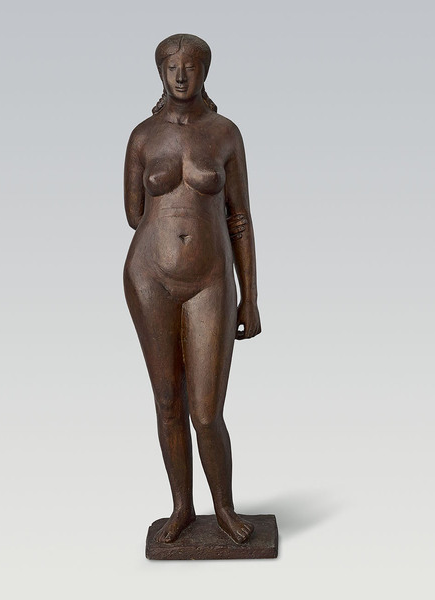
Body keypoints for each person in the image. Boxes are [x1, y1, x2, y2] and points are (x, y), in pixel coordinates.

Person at [123, 33, 261, 545]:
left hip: (209, 279)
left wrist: (250, 296)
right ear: (160, 72)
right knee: (167, 401)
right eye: (171, 67)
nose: (181, 76)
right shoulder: (142, 137)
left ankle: (223, 508)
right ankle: (182, 507)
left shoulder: (225, 134)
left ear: (205, 71)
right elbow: (133, 214)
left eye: (191, 66)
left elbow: (240, 218)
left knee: (205, 411)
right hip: (150, 277)